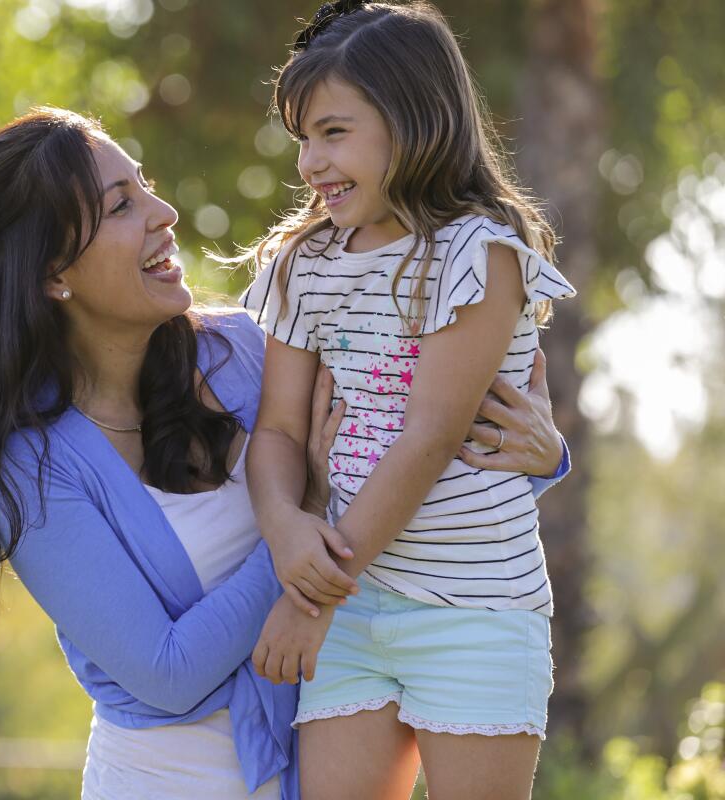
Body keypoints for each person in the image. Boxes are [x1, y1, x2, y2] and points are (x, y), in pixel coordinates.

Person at [0, 106, 570, 800]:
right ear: (51, 274)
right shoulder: (30, 468)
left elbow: (414, 477)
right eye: (121, 205)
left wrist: (539, 458)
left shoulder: (247, 355)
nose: (163, 213)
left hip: (308, 771)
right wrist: (305, 535)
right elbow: (169, 671)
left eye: (146, 184)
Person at [241, 2, 578, 799]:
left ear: (413, 124)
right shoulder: (304, 262)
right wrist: (287, 530)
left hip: (473, 609)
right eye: (302, 139)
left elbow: (428, 439)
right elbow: (278, 431)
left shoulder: (478, 253)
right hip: (352, 614)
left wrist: (309, 593)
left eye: (333, 132)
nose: (310, 163)